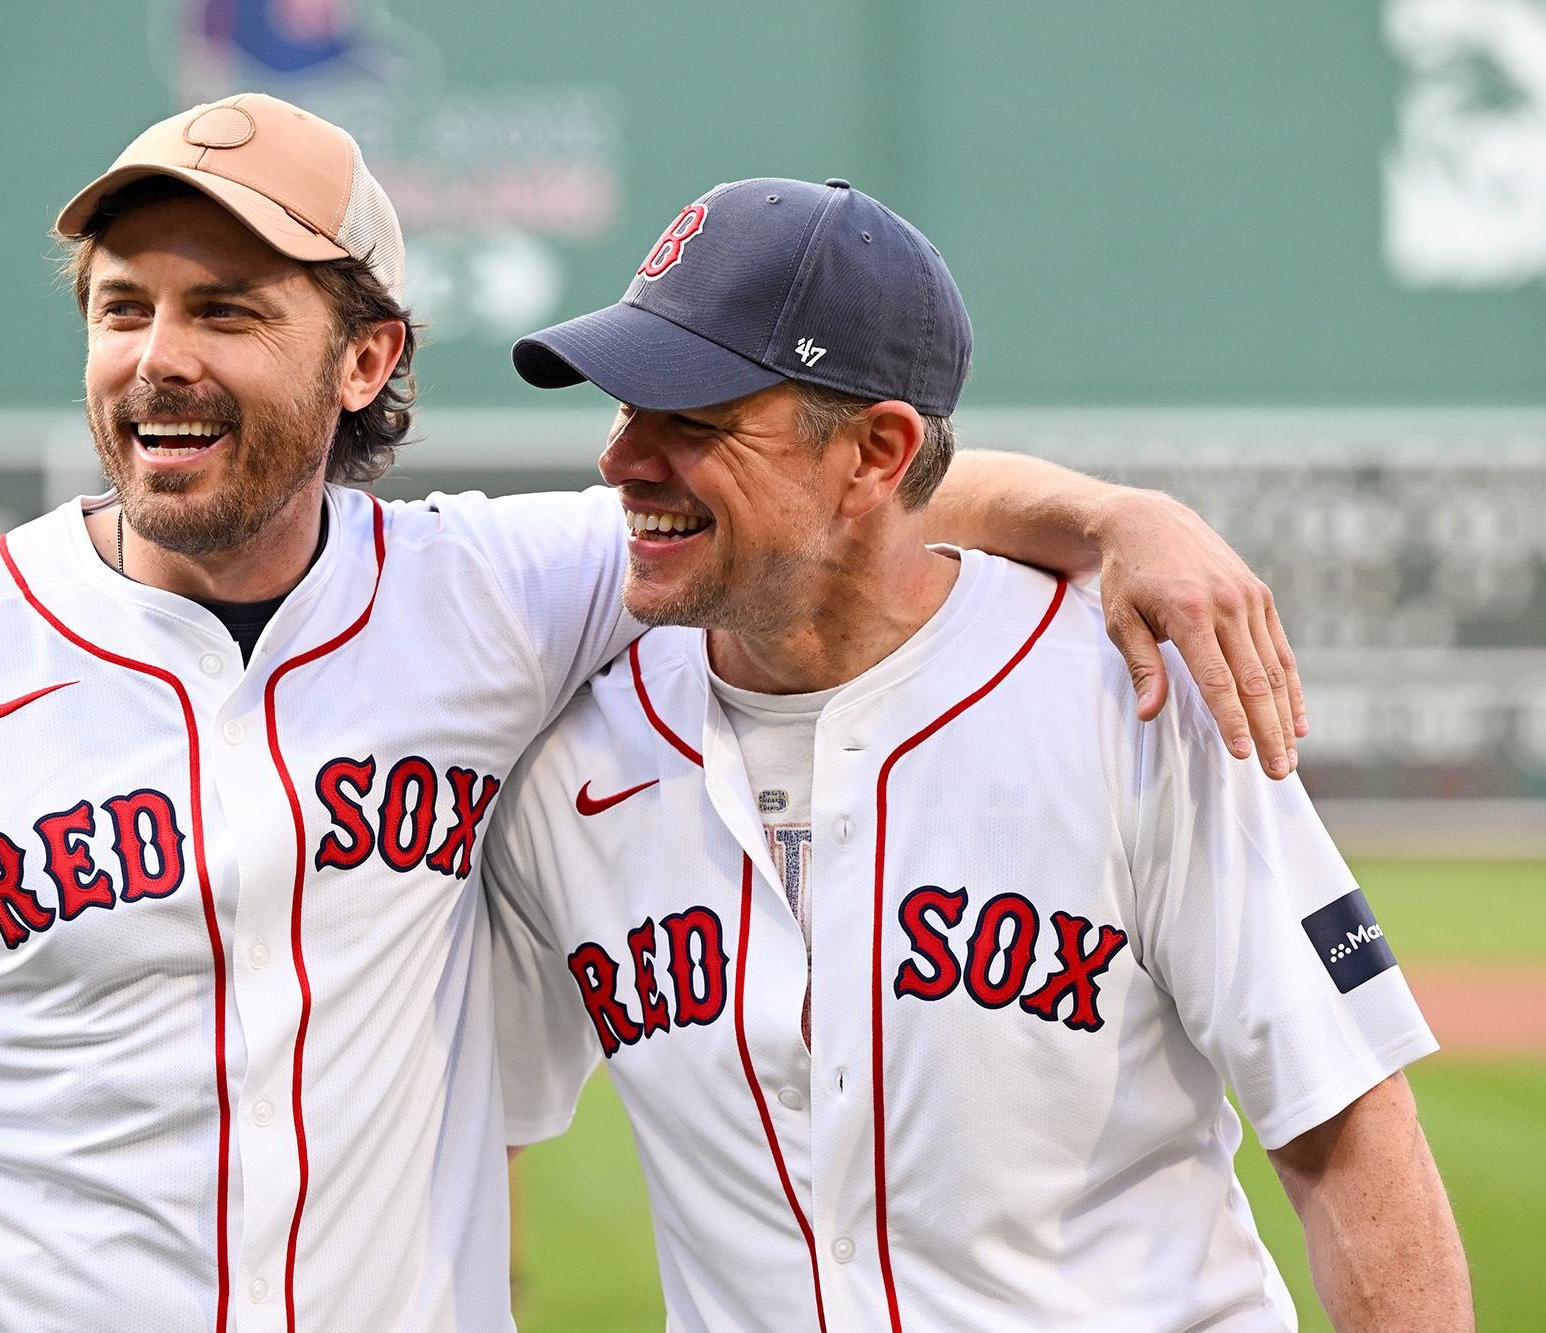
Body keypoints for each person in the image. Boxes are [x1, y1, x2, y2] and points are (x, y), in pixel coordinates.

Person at [0, 97, 1304, 1332]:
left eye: (228, 310)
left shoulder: (487, 594)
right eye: (124, 305)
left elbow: (831, 500)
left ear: (366, 350)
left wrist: (1113, 516)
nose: (159, 358)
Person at [486, 177, 1471, 1331]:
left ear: (875, 453)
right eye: (619, 405)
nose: (620, 459)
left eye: (690, 421)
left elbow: (1345, 1128)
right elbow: (473, 1121)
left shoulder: (1130, 697)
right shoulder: (566, 750)